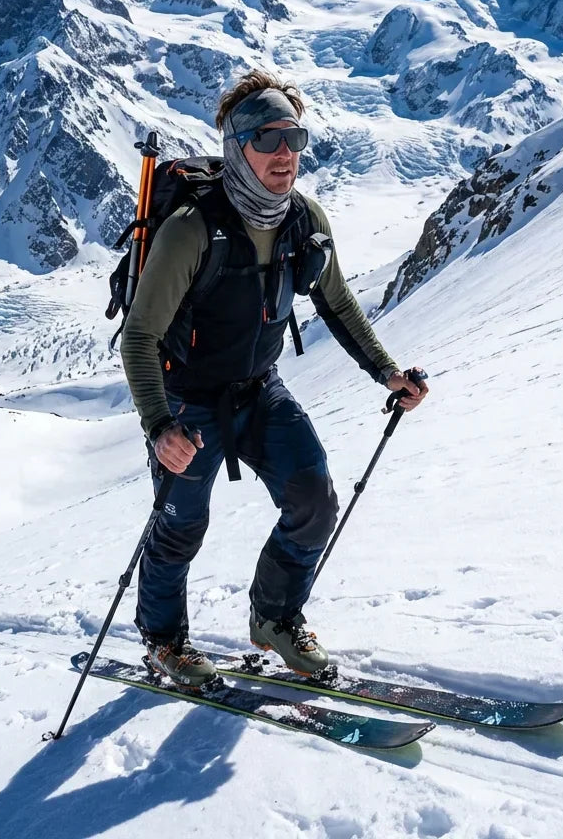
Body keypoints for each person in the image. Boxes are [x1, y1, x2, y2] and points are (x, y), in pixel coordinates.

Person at [120, 69, 428, 688]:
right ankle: (163, 640)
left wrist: (387, 372)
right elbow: (140, 336)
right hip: (187, 403)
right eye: (267, 139)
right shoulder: (191, 230)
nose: (285, 153)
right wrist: (159, 426)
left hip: (260, 389)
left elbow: (337, 303)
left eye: (294, 137)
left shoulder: (303, 220)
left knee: (314, 500)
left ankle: (275, 617)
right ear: (237, 147)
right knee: (181, 526)